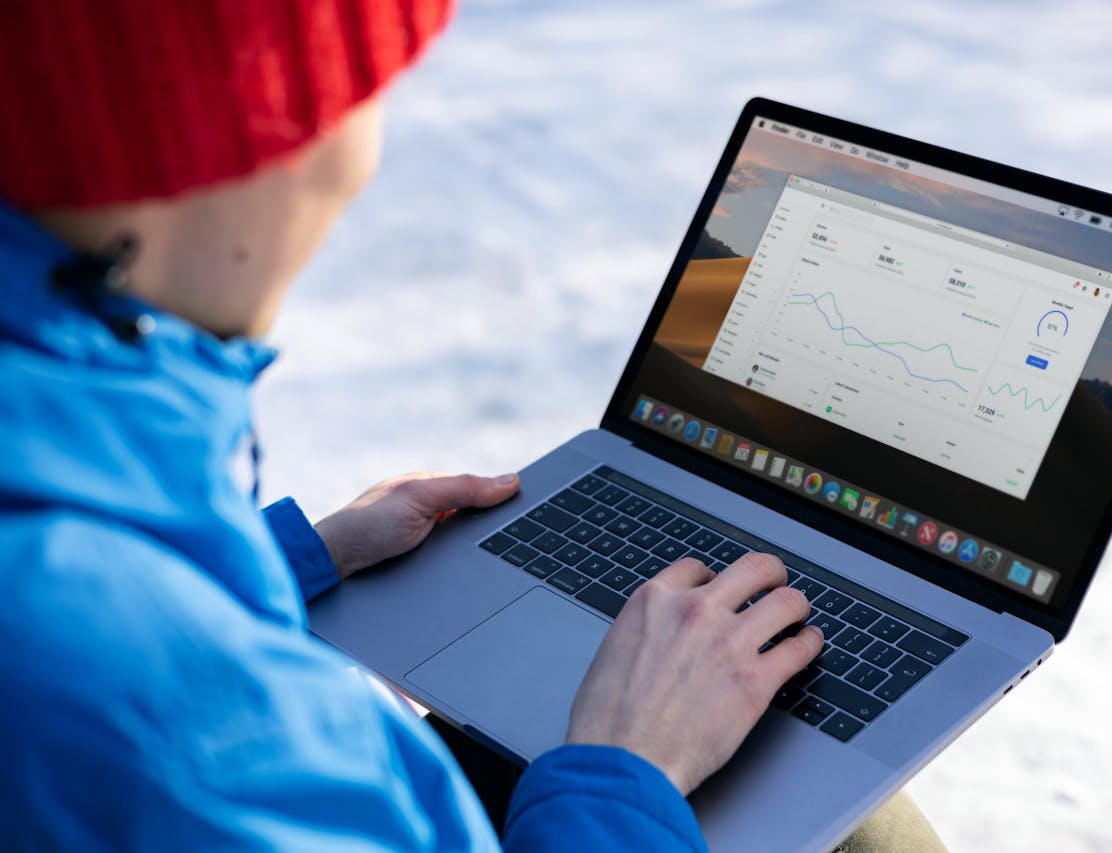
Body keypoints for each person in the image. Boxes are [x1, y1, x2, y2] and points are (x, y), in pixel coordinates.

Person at [0, 1, 944, 850]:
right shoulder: (178, 736)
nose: (361, 161)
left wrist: (292, 560)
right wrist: (631, 765)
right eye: (349, 102)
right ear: (200, 157)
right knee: (871, 832)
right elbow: (142, 693)